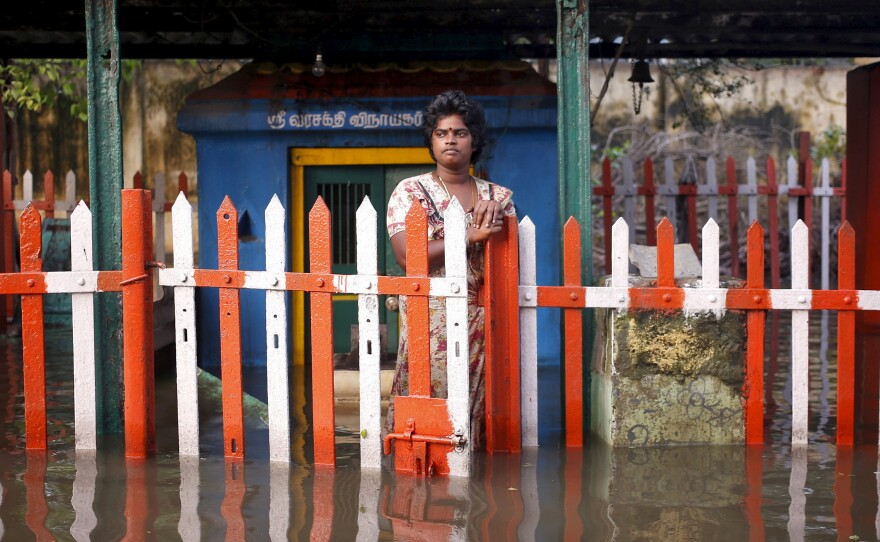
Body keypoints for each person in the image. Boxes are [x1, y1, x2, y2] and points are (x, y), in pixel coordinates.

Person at [385, 90, 515, 449]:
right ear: (431, 142)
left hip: (486, 318)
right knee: (430, 408)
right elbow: (407, 256)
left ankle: (478, 490)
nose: (450, 140)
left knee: (484, 414)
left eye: (459, 132)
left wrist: (499, 219)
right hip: (431, 318)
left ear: (474, 141)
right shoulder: (411, 192)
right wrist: (470, 235)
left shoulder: (498, 197)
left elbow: (510, 259)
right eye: (441, 134)